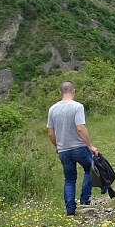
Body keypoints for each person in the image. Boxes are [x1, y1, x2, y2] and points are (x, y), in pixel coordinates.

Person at [47, 81, 99, 216]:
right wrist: (90, 146)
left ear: (60, 93)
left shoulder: (52, 109)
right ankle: (84, 201)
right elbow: (80, 128)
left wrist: (56, 146)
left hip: (63, 150)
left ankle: (70, 210)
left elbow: (50, 133)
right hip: (79, 148)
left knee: (69, 179)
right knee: (89, 169)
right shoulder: (77, 107)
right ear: (74, 91)